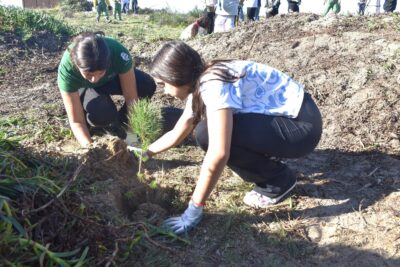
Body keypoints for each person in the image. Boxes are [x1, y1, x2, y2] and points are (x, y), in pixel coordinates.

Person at [143, 41, 322, 234]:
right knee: (206, 132)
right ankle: (270, 166)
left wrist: (193, 210)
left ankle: (278, 182)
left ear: (176, 76)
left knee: (208, 135)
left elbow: (218, 153)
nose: (165, 92)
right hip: (292, 120)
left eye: (164, 84)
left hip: (303, 128)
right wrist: (144, 154)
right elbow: (178, 131)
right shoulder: (202, 77)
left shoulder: (213, 85)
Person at [57, 32, 156, 147]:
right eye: (88, 74)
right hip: (85, 87)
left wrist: (132, 138)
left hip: (110, 79)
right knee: (103, 113)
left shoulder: (118, 53)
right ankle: (93, 120)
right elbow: (76, 121)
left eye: (100, 72)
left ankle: (122, 123)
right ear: (77, 65)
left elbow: (131, 98)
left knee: (146, 85)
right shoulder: (67, 69)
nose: (94, 79)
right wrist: (91, 150)